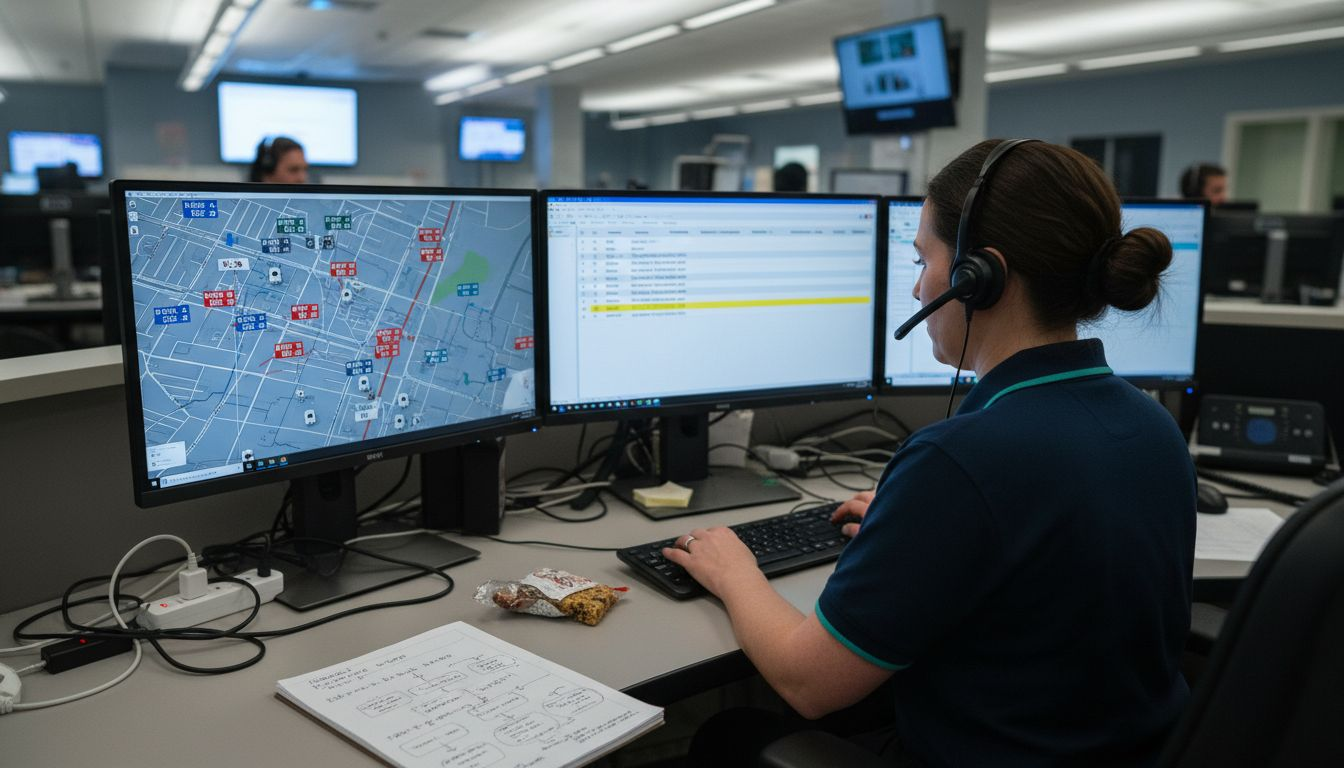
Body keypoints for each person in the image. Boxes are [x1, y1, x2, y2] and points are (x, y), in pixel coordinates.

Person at [668, 139, 1196, 767]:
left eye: (925, 260)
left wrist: (735, 571)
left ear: (980, 277)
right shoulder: (1152, 425)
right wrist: (917, 530)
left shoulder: (961, 461)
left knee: (729, 738)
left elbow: (809, 684)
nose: (920, 289)